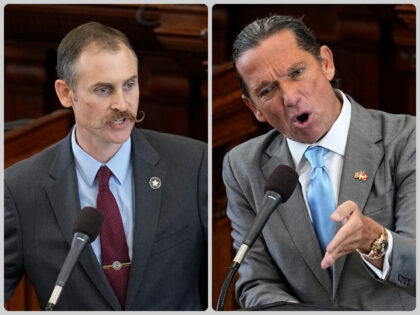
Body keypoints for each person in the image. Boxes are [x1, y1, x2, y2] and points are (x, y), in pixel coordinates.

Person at [4, 22, 207, 311]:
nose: (122, 104)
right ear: (65, 93)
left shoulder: (192, 163)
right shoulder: (19, 188)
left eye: (129, 85)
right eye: (103, 90)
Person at [223, 15, 415, 311]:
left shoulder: (406, 139)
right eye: (266, 91)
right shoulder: (242, 166)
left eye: (297, 72)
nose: (289, 97)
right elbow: (255, 284)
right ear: (254, 108)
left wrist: (375, 241)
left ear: (326, 63)